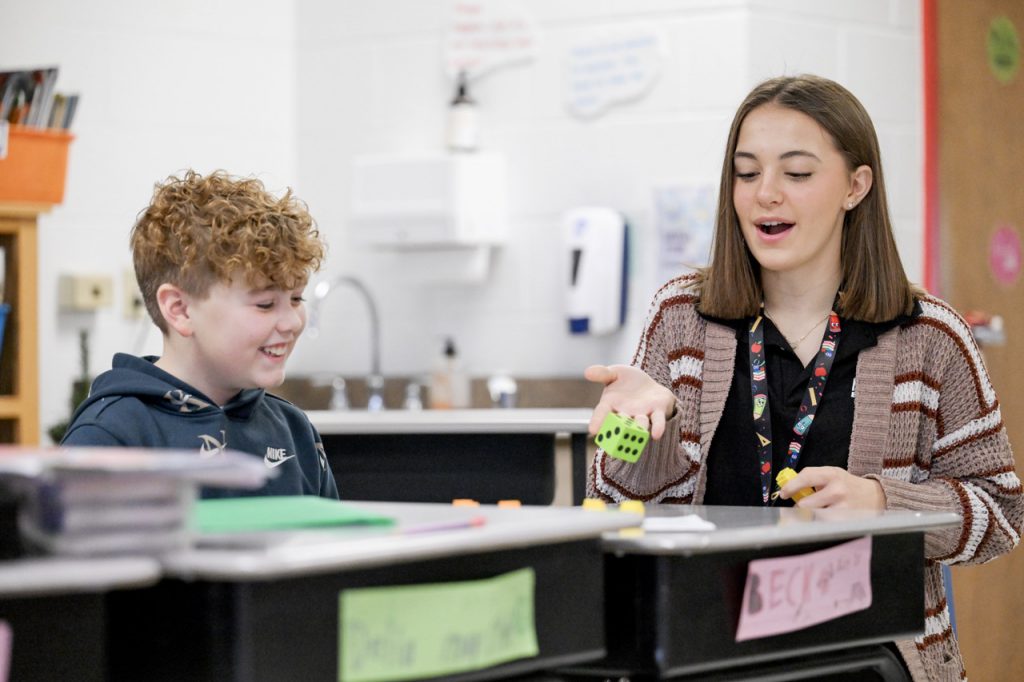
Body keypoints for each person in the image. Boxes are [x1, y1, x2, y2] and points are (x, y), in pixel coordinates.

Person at [585, 75, 1021, 680]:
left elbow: (1001, 516)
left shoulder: (930, 336)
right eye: (746, 173)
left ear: (855, 186)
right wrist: (637, 434)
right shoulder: (679, 317)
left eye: (797, 173)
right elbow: (607, 497)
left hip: (868, 661)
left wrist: (883, 504)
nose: (766, 194)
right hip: (704, 653)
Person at [62, 170, 339, 500]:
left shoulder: (296, 433)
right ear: (180, 309)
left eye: (296, 299)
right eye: (265, 304)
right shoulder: (112, 436)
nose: (292, 321)